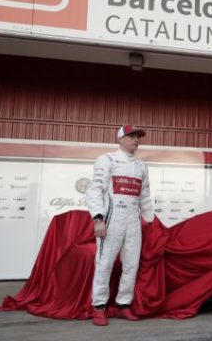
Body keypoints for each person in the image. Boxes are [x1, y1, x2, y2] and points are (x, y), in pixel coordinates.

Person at [85, 125, 154, 326]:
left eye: (138, 136)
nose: (136, 140)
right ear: (120, 139)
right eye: (132, 136)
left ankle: (124, 305)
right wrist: (98, 218)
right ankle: (99, 306)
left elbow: (145, 195)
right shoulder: (107, 159)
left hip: (133, 218)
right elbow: (94, 190)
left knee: (131, 264)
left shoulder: (142, 166)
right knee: (104, 262)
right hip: (112, 218)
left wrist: (150, 220)